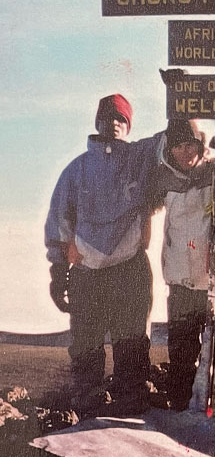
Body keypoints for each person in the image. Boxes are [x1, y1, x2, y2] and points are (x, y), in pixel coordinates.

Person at [45, 94, 162, 417]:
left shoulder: (140, 156)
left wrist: (182, 105)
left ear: (128, 125)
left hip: (130, 268)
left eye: (120, 119)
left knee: (132, 343)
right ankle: (88, 408)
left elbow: (171, 139)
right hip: (87, 272)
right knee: (86, 344)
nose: (113, 124)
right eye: (107, 118)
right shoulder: (76, 170)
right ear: (96, 122)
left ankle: (131, 408)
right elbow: (60, 221)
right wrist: (58, 272)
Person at [150, 119, 215, 411]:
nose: (185, 152)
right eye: (178, 145)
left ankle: (211, 410)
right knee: (181, 352)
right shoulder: (165, 180)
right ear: (170, 148)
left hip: (212, 282)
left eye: (191, 144)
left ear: (201, 145)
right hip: (179, 281)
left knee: (214, 353)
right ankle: (179, 408)